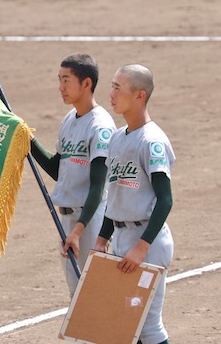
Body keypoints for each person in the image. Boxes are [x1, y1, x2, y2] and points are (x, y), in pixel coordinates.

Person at [95, 64, 175, 344]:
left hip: (146, 243)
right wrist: (102, 238)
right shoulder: (117, 137)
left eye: (118, 87)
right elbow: (114, 195)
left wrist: (141, 247)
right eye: (112, 86)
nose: (111, 94)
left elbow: (165, 200)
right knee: (125, 324)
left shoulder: (152, 142)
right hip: (121, 239)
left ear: (139, 96)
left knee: (148, 327)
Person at [30, 53, 116, 296]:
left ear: (86, 83)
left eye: (66, 80)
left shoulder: (100, 126)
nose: (61, 88)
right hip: (68, 220)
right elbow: (59, 169)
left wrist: (77, 232)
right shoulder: (69, 120)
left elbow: (97, 188)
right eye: (59, 80)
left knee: (94, 295)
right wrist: (29, 142)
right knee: (77, 295)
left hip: (89, 220)